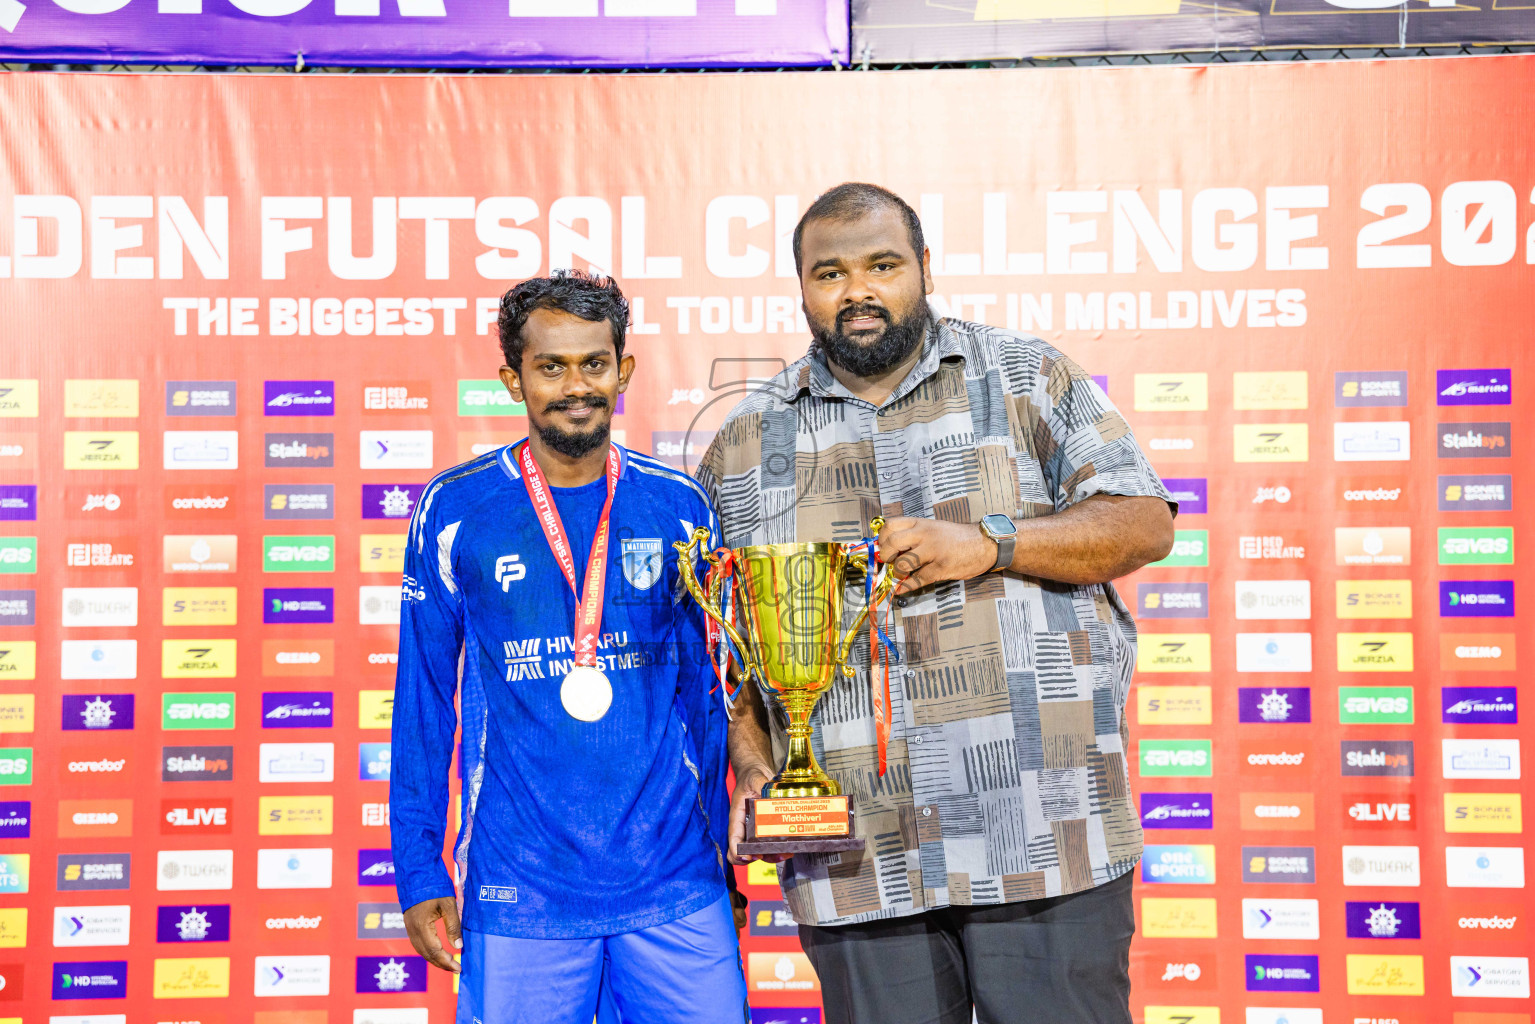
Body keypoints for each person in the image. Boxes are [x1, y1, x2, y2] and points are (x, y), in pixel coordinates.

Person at [697, 183, 1177, 1024]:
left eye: (882, 265)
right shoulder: (746, 441)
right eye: (829, 273)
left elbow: (1141, 522)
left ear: (923, 268)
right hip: (857, 856)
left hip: (1044, 832)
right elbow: (725, 647)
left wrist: (991, 542)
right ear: (800, 287)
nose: (857, 292)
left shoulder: (1026, 376)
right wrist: (749, 761)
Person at [390, 270, 747, 1024]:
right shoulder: (456, 509)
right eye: (549, 366)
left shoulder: (678, 506)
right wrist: (420, 867)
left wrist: (720, 854)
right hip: (519, 885)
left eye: (592, 363)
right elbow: (422, 702)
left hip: (675, 877)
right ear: (512, 378)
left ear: (624, 371)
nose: (574, 385)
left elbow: (706, 696)